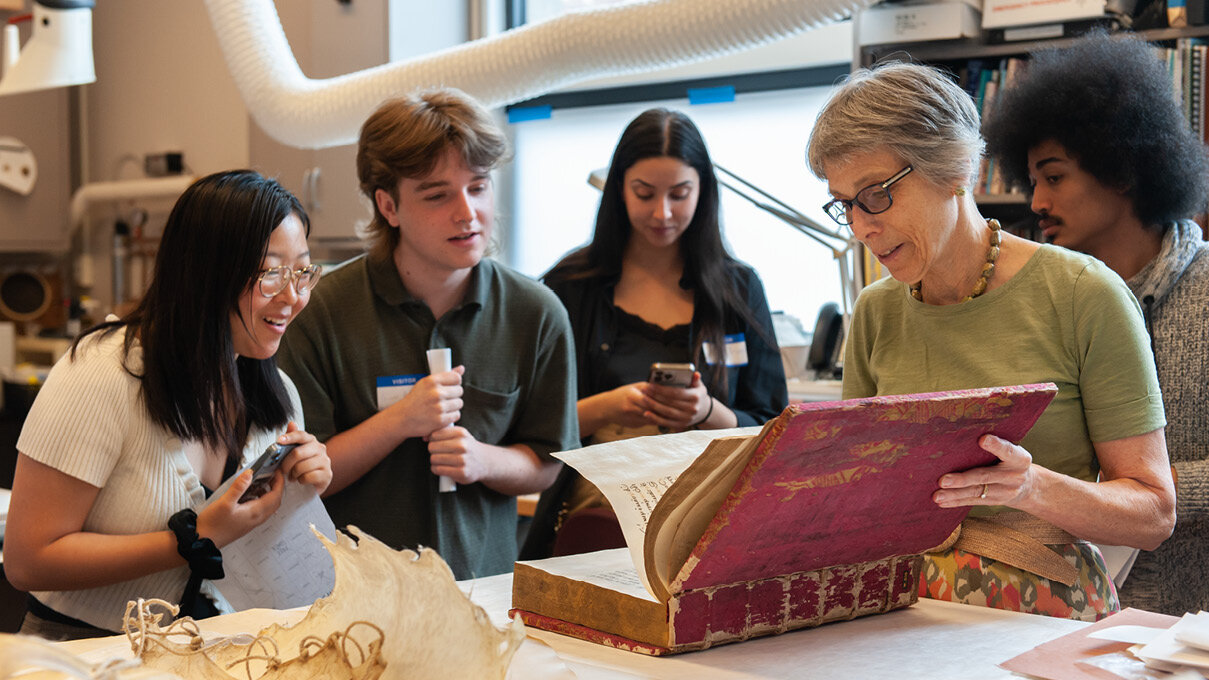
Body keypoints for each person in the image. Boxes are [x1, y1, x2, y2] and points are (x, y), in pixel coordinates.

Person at [806, 62, 1176, 621]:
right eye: (845, 204)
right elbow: (863, 500)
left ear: (954, 168)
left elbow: (1153, 515)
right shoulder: (876, 312)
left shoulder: (1083, 294)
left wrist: (1031, 487)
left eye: (875, 195)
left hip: (1036, 611)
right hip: (902, 611)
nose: (860, 227)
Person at [5, 170, 333, 640]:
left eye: (302, 270)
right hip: (83, 657)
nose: (293, 296)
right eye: (270, 273)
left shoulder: (276, 394)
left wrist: (300, 494)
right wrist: (191, 538)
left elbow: (252, 555)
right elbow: (27, 560)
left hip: (212, 651)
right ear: (203, 273)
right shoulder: (101, 373)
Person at [276, 89, 578, 581]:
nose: (468, 213)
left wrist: (483, 460)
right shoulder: (323, 312)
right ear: (388, 206)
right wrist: (399, 421)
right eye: (438, 195)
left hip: (484, 591)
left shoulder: (536, 314)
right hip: (352, 598)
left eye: (478, 187)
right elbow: (303, 478)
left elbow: (547, 464)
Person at [983, 33, 1209, 616]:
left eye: (1053, 177)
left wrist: (1135, 495)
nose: (1035, 202)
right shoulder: (1049, 299)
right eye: (1031, 180)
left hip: (1190, 627)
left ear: (1122, 171)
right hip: (1074, 617)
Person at [520, 108, 787, 559]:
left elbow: (775, 429)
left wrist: (707, 412)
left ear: (703, 191)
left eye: (679, 194)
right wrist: (611, 407)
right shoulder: (569, 287)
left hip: (709, 518)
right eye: (644, 193)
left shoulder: (737, 289)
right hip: (594, 522)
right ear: (619, 189)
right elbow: (527, 425)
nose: (662, 213)